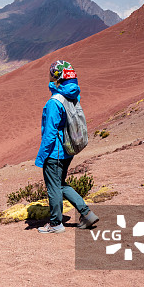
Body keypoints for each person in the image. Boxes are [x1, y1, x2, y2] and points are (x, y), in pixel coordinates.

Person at [35, 60, 99, 233]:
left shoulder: (54, 102)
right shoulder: (73, 97)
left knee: (53, 187)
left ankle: (56, 224)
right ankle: (87, 214)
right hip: (67, 150)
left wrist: (41, 157)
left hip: (55, 152)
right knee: (61, 184)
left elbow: (49, 134)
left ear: (56, 77)